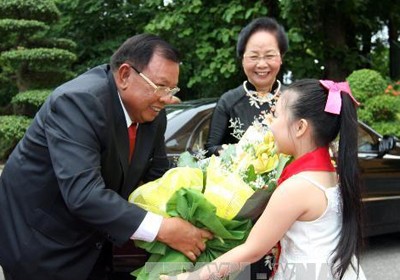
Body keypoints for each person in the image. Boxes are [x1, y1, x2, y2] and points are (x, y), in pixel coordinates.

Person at [0, 34, 212, 280]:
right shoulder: (77, 102)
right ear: (124, 75)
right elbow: (83, 193)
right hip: (41, 242)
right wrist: (163, 229)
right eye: (160, 86)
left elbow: (158, 178)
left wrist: (200, 211)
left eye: (172, 89)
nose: (167, 98)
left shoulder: (153, 115)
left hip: (96, 241)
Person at [161, 79, 366, 280]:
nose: (271, 125)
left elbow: (252, 250)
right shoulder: (331, 174)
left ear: (300, 127)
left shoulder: (298, 187)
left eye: (275, 115)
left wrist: (191, 277)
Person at [205, 17, 289, 156]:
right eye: (254, 56)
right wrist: (243, 152)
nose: (262, 64)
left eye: (269, 56)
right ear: (242, 59)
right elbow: (210, 150)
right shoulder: (228, 102)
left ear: (281, 58)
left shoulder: (293, 99)